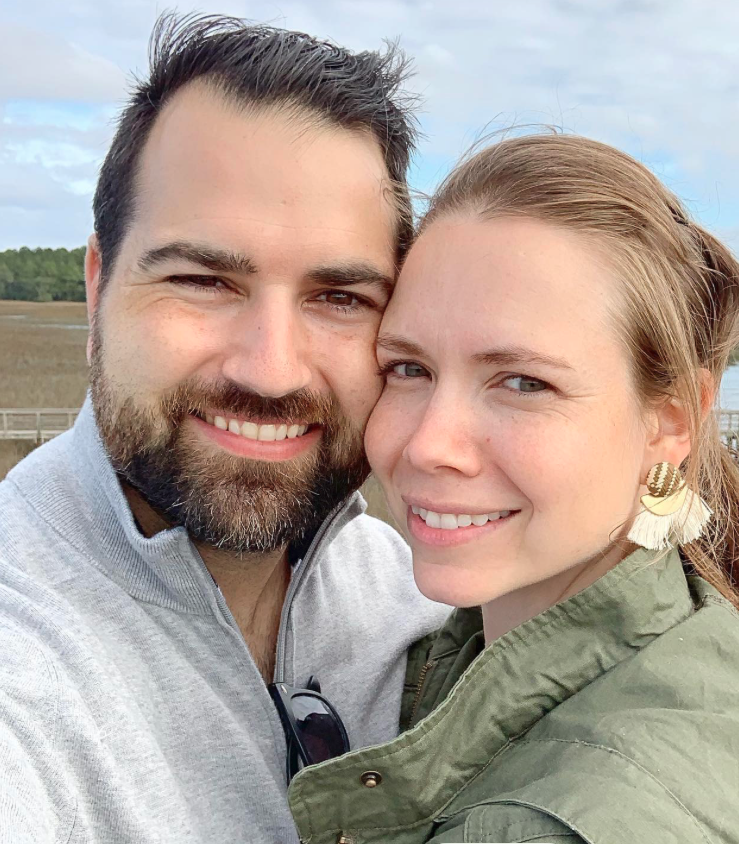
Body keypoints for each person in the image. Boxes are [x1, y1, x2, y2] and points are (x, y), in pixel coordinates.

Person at [286, 134, 739, 843]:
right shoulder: (697, 652)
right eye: (408, 368)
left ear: (670, 421)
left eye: (523, 383)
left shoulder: (543, 825)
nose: (430, 443)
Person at [0, 14, 449, 844]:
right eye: (203, 280)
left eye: (340, 298)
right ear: (97, 285)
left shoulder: (421, 594)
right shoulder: (22, 670)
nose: (271, 370)